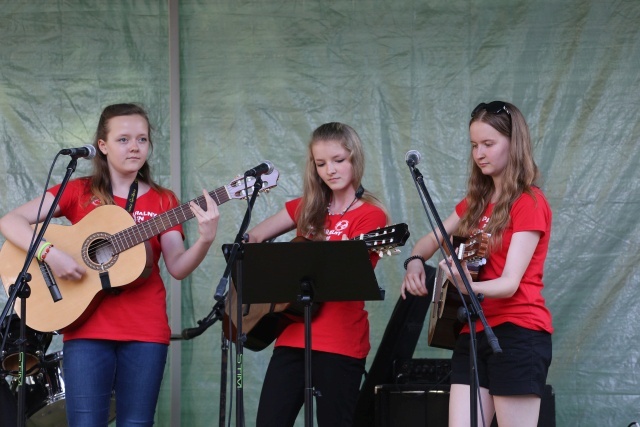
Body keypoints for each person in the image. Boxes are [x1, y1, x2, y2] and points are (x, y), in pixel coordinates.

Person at [0, 103, 220, 426]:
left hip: (146, 331)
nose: (135, 146)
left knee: (136, 423)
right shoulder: (78, 191)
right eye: (124, 139)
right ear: (101, 146)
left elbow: (177, 266)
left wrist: (205, 239)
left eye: (142, 139)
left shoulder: (164, 201)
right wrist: (50, 254)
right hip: (86, 328)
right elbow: (10, 222)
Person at [401, 101, 553, 427]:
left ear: (514, 144)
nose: (479, 153)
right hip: (474, 333)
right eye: (474, 145)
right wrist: (414, 262)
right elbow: (429, 241)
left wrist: (463, 283)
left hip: (517, 333)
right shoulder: (476, 203)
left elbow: (510, 282)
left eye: (488, 144)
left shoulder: (529, 202)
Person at [247, 122, 389, 427]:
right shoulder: (306, 207)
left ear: (355, 160)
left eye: (338, 160)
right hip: (290, 336)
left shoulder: (371, 215)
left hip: (340, 342)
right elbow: (253, 239)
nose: (330, 170)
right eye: (321, 163)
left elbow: (351, 274)